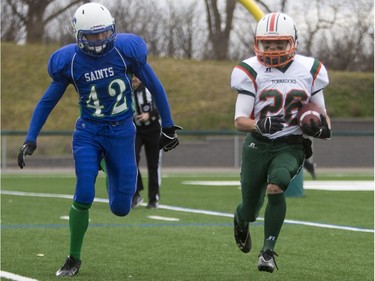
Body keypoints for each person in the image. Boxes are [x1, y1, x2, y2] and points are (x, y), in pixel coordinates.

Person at [17, 2, 181, 277]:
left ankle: (107, 167)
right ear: (79, 36)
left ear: (112, 30)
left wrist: (168, 124)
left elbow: (155, 86)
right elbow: (47, 101)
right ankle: (73, 257)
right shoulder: (69, 61)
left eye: (104, 33)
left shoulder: (125, 51)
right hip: (88, 133)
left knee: (121, 208)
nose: (99, 40)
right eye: (92, 36)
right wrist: (31, 137)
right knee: (84, 193)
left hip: (121, 132)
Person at [230, 12, 331, 273]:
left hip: (290, 144)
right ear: (258, 44)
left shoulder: (310, 69)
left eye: (279, 44)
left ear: (292, 43)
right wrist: (258, 124)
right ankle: (240, 222)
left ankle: (267, 252)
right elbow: (240, 120)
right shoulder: (250, 69)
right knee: (250, 209)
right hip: (258, 143)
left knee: (276, 187)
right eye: (267, 44)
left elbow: (323, 117)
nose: (272, 49)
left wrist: (318, 126)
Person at [131, 75, 162, 209]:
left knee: (153, 165)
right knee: (132, 161)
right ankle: (136, 194)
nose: (134, 79)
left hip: (153, 129)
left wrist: (149, 115)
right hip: (136, 130)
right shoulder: (125, 91)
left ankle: (153, 198)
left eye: (136, 76)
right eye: (132, 76)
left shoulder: (149, 89)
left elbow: (162, 105)